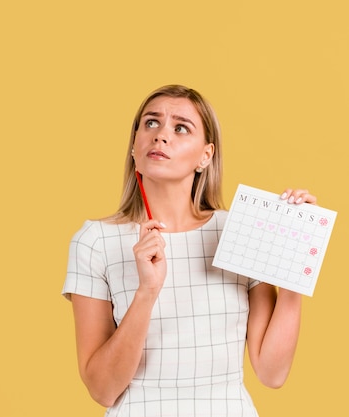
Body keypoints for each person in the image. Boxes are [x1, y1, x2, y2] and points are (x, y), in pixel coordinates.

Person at [62, 84, 315, 417]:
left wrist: (294, 265)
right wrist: (146, 292)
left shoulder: (240, 229)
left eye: (181, 127)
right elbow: (102, 389)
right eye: (150, 123)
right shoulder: (95, 241)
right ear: (134, 146)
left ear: (205, 156)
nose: (161, 135)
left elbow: (272, 373)